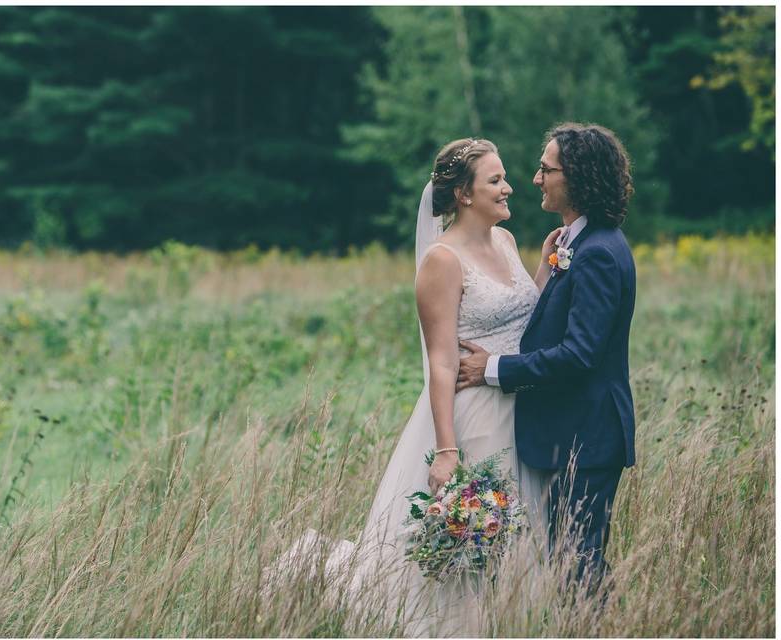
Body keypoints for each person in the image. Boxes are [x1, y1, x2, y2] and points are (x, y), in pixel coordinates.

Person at [264, 138, 557, 637]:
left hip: (523, 409)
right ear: (464, 194)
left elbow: (518, 323)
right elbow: (441, 362)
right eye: (495, 180)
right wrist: (446, 449)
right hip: (479, 415)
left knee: (524, 529)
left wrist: (546, 272)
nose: (509, 187)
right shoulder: (442, 261)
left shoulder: (506, 243)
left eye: (505, 177)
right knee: (484, 537)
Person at [456, 123, 637, 592]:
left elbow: (578, 355)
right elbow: (548, 326)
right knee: (569, 558)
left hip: (587, 435)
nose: (536, 178)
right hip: (573, 431)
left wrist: (491, 368)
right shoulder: (575, 242)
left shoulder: (596, 251)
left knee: (579, 564)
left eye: (546, 169)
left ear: (576, 179)